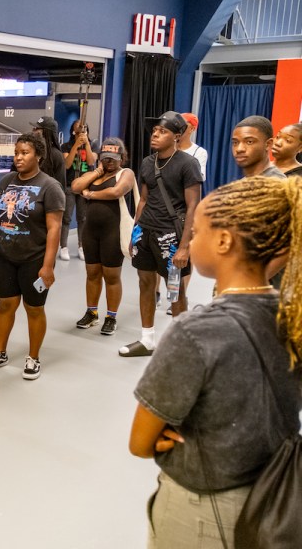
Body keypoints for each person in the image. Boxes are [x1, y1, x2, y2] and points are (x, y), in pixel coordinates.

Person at [129, 176, 302, 548]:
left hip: (203, 510)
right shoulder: (293, 316)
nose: (190, 241)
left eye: (196, 233)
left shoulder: (195, 332)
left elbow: (141, 442)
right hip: (274, 494)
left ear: (224, 241)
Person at [0, 133, 64, 379]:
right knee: (5, 305)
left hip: (34, 258)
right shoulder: (6, 181)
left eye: (25, 153)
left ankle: (33, 357)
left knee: (33, 309)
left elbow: (54, 229)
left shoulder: (50, 186)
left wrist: (48, 266)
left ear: (38, 156)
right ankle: (0, 352)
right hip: (5, 255)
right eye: (16, 153)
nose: (18, 157)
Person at [119, 111, 202, 358]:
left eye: (162, 131)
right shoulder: (147, 162)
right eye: (155, 130)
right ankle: (147, 340)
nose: (155, 135)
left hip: (171, 238)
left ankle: (179, 345)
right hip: (145, 233)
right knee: (145, 283)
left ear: (177, 136)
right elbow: (143, 200)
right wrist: (135, 233)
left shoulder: (188, 164)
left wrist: (185, 247)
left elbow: (193, 207)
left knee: (175, 290)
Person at [70, 138, 135, 336]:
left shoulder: (126, 173)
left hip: (112, 232)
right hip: (91, 232)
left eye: (113, 158)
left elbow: (116, 192)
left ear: (122, 157)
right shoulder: (95, 174)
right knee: (92, 273)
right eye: (106, 158)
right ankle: (92, 313)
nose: (109, 162)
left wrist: (90, 194)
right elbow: (75, 187)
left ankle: (111, 317)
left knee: (112, 276)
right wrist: (97, 172)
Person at [157, 112, 208, 315]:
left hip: (182, 212)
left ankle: (176, 297)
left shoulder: (198, 153)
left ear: (192, 128)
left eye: (184, 124)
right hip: (159, 210)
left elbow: (193, 182)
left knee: (179, 258)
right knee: (156, 255)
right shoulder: (165, 148)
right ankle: (155, 293)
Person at [59, 119, 98, 262]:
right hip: (69, 186)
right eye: (78, 130)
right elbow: (67, 164)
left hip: (85, 186)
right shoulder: (65, 146)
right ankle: (63, 246)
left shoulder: (93, 145)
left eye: (84, 129)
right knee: (66, 218)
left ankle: (82, 246)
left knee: (83, 218)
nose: (81, 131)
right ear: (73, 132)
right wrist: (76, 145)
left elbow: (91, 162)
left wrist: (86, 143)